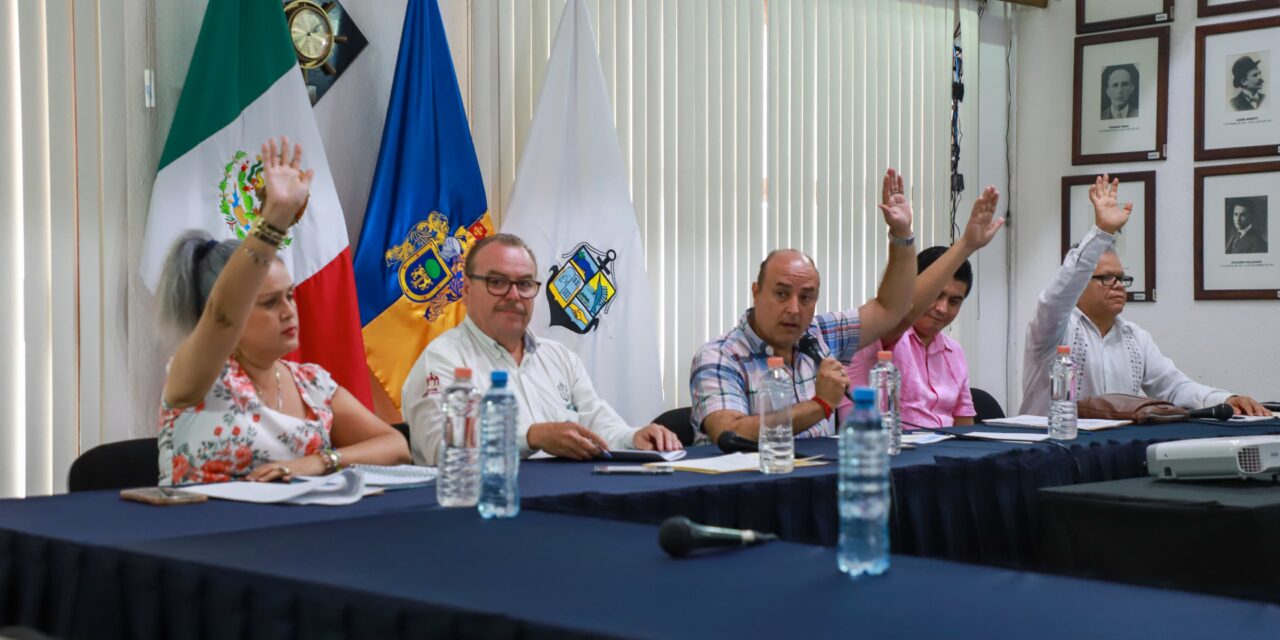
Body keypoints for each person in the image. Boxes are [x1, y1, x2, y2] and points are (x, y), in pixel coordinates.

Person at [156, 137, 410, 486]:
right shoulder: (198, 375)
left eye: (290, 296)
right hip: (202, 533)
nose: (289, 311)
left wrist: (322, 462)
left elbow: (395, 446)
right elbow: (222, 316)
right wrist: (274, 220)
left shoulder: (311, 383)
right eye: (269, 302)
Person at [401, 233, 682, 464]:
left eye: (524, 284)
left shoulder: (559, 357)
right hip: (487, 509)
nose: (513, 295)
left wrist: (634, 437)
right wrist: (531, 437)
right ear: (466, 290)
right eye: (497, 282)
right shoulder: (442, 361)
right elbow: (443, 451)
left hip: (571, 503)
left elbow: (596, 421)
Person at [690, 168, 917, 442]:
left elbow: (891, 308)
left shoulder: (817, 336)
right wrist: (819, 405)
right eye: (782, 294)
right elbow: (730, 432)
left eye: (806, 297)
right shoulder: (720, 356)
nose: (795, 310)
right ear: (756, 292)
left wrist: (901, 233)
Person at [1020, 174, 1268, 417]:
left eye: (1121, 277)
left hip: (1111, 449)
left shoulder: (1135, 338)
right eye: (1106, 277)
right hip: (1048, 448)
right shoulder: (1053, 329)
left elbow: (1174, 387)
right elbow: (1058, 294)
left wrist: (1225, 398)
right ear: (1081, 284)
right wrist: (1102, 231)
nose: (1117, 285)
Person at [844, 185, 1004, 428]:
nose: (942, 308)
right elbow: (896, 311)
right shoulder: (882, 335)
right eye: (936, 295)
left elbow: (966, 430)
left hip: (945, 457)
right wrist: (966, 245)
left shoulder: (955, 352)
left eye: (954, 301)